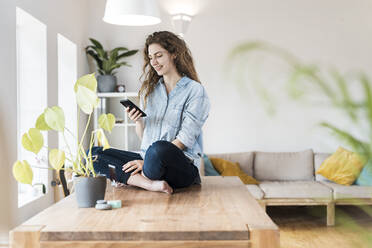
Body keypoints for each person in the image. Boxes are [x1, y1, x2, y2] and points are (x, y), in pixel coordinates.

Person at [91, 31, 210, 194]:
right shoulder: (151, 91)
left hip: (180, 168)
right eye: (150, 57)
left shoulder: (195, 91)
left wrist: (146, 161)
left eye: (159, 56)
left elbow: (184, 140)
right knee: (93, 153)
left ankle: (131, 177)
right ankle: (149, 184)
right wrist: (138, 121)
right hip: (148, 159)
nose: (153, 62)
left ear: (174, 53)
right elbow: (144, 137)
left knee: (159, 149)